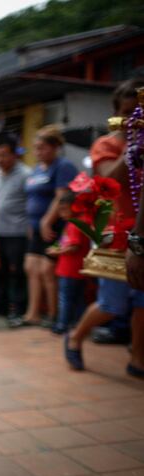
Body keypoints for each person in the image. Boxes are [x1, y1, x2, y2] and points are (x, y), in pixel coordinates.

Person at [65, 78, 144, 377]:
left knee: (142, 303)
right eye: (128, 112)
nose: (134, 118)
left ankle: (138, 360)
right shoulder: (105, 145)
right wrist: (133, 146)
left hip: (142, 234)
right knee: (112, 304)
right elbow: (110, 181)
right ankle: (75, 336)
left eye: (139, 111)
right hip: (115, 235)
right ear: (117, 114)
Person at [21, 125, 78, 329]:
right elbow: (32, 197)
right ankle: (33, 313)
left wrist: (46, 220)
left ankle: (54, 314)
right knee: (31, 267)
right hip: (35, 227)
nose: (38, 152)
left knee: (47, 270)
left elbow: (61, 196)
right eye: (36, 148)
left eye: (42, 148)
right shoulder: (37, 169)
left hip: (55, 226)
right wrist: (33, 224)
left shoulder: (63, 166)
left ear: (54, 147)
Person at [0, 134, 30, 325]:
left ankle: (18, 309)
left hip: (17, 232)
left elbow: (31, 204)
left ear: (14, 154)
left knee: (17, 272)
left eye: (3, 155)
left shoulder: (26, 175)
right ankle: (0, 305)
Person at [46, 192, 90, 335]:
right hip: (77, 269)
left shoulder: (74, 224)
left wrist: (57, 252)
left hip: (70, 270)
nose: (60, 214)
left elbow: (73, 247)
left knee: (66, 298)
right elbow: (67, 242)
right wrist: (57, 247)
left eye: (64, 209)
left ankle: (62, 325)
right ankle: (78, 323)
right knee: (78, 299)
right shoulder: (78, 223)